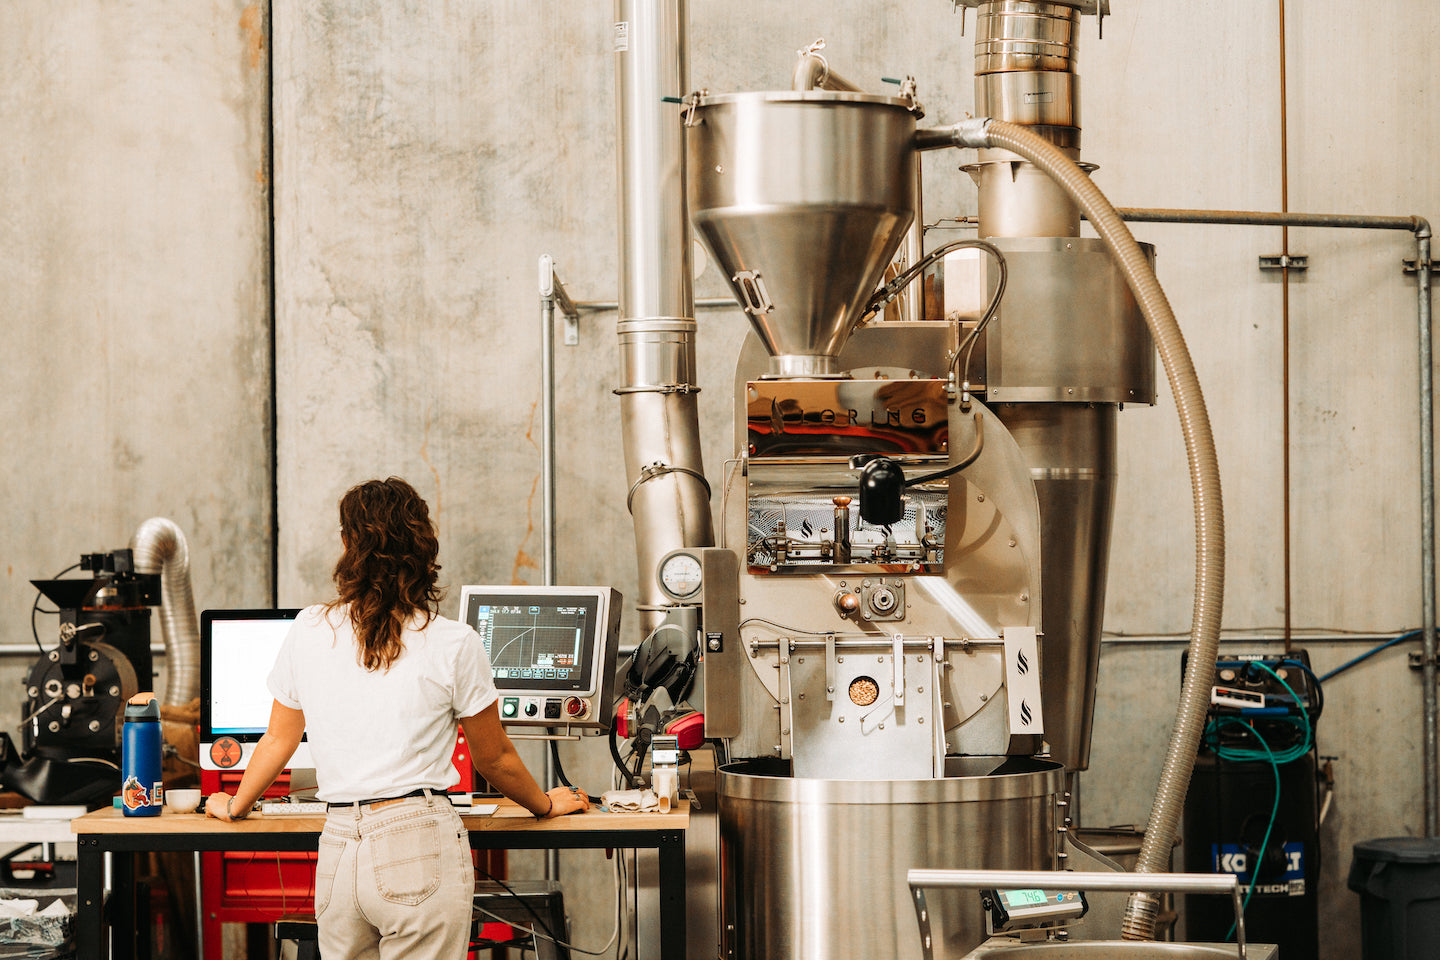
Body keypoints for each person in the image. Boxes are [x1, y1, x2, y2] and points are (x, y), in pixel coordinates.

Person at [205, 476, 588, 959]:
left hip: (339, 847)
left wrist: (235, 805)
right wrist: (546, 806)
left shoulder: (308, 629)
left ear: (348, 545)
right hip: (417, 842)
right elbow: (496, 759)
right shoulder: (453, 642)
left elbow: (278, 740)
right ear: (424, 548)